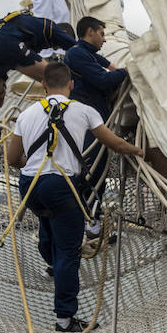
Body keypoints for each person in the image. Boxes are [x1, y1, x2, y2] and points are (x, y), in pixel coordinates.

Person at [4, 62, 143, 332]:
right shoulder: (85, 110)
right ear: (72, 85)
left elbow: (12, 159)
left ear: (43, 85)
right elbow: (114, 143)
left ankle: (51, 262)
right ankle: (65, 320)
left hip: (30, 185)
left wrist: (35, 165)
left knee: (47, 224)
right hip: (62, 185)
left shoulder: (27, 114)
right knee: (69, 253)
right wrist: (138, 151)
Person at [63, 15, 129, 233]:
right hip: (86, 122)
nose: (104, 39)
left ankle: (91, 219)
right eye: (101, 33)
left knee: (97, 170)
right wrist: (129, 71)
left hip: (95, 118)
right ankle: (88, 222)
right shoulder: (77, 54)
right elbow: (103, 80)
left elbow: (105, 67)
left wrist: (115, 68)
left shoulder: (85, 54)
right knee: (91, 169)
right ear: (89, 31)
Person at [0, 10, 78, 142]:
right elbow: (80, 50)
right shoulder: (52, 28)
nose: (55, 49)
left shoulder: (31, 27)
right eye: (57, 46)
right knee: (56, 80)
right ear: (63, 34)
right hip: (7, 42)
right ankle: (61, 133)